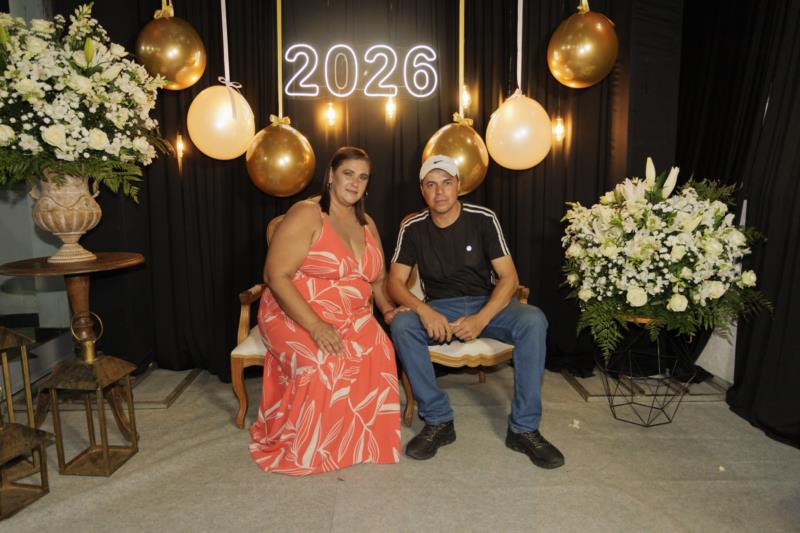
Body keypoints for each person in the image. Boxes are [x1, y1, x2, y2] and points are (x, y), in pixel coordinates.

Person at [387, 154, 564, 469]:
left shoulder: (483, 218)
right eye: (431, 185)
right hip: (440, 307)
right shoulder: (413, 228)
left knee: (534, 320)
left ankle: (524, 429)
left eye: (446, 183)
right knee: (403, 326)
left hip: (487, 303)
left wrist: (481, 319)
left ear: (458, 185)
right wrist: (423, 310)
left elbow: (509, 278)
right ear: (422, 191)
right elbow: (395, 283)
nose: (439, 192)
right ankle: (438, 421)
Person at [250, 147, 404, 476]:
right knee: (323, 361)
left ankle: (357, 441)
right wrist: (316, 325)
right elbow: (275, 275)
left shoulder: (367, 223)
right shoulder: (307, 214)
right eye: (348, 173)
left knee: (380, 349)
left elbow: (378, 280)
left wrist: (389, 310)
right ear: (331, 176)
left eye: (363, 177)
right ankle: (312, 446)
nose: (355, 182)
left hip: (352, 315)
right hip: (294, 312)